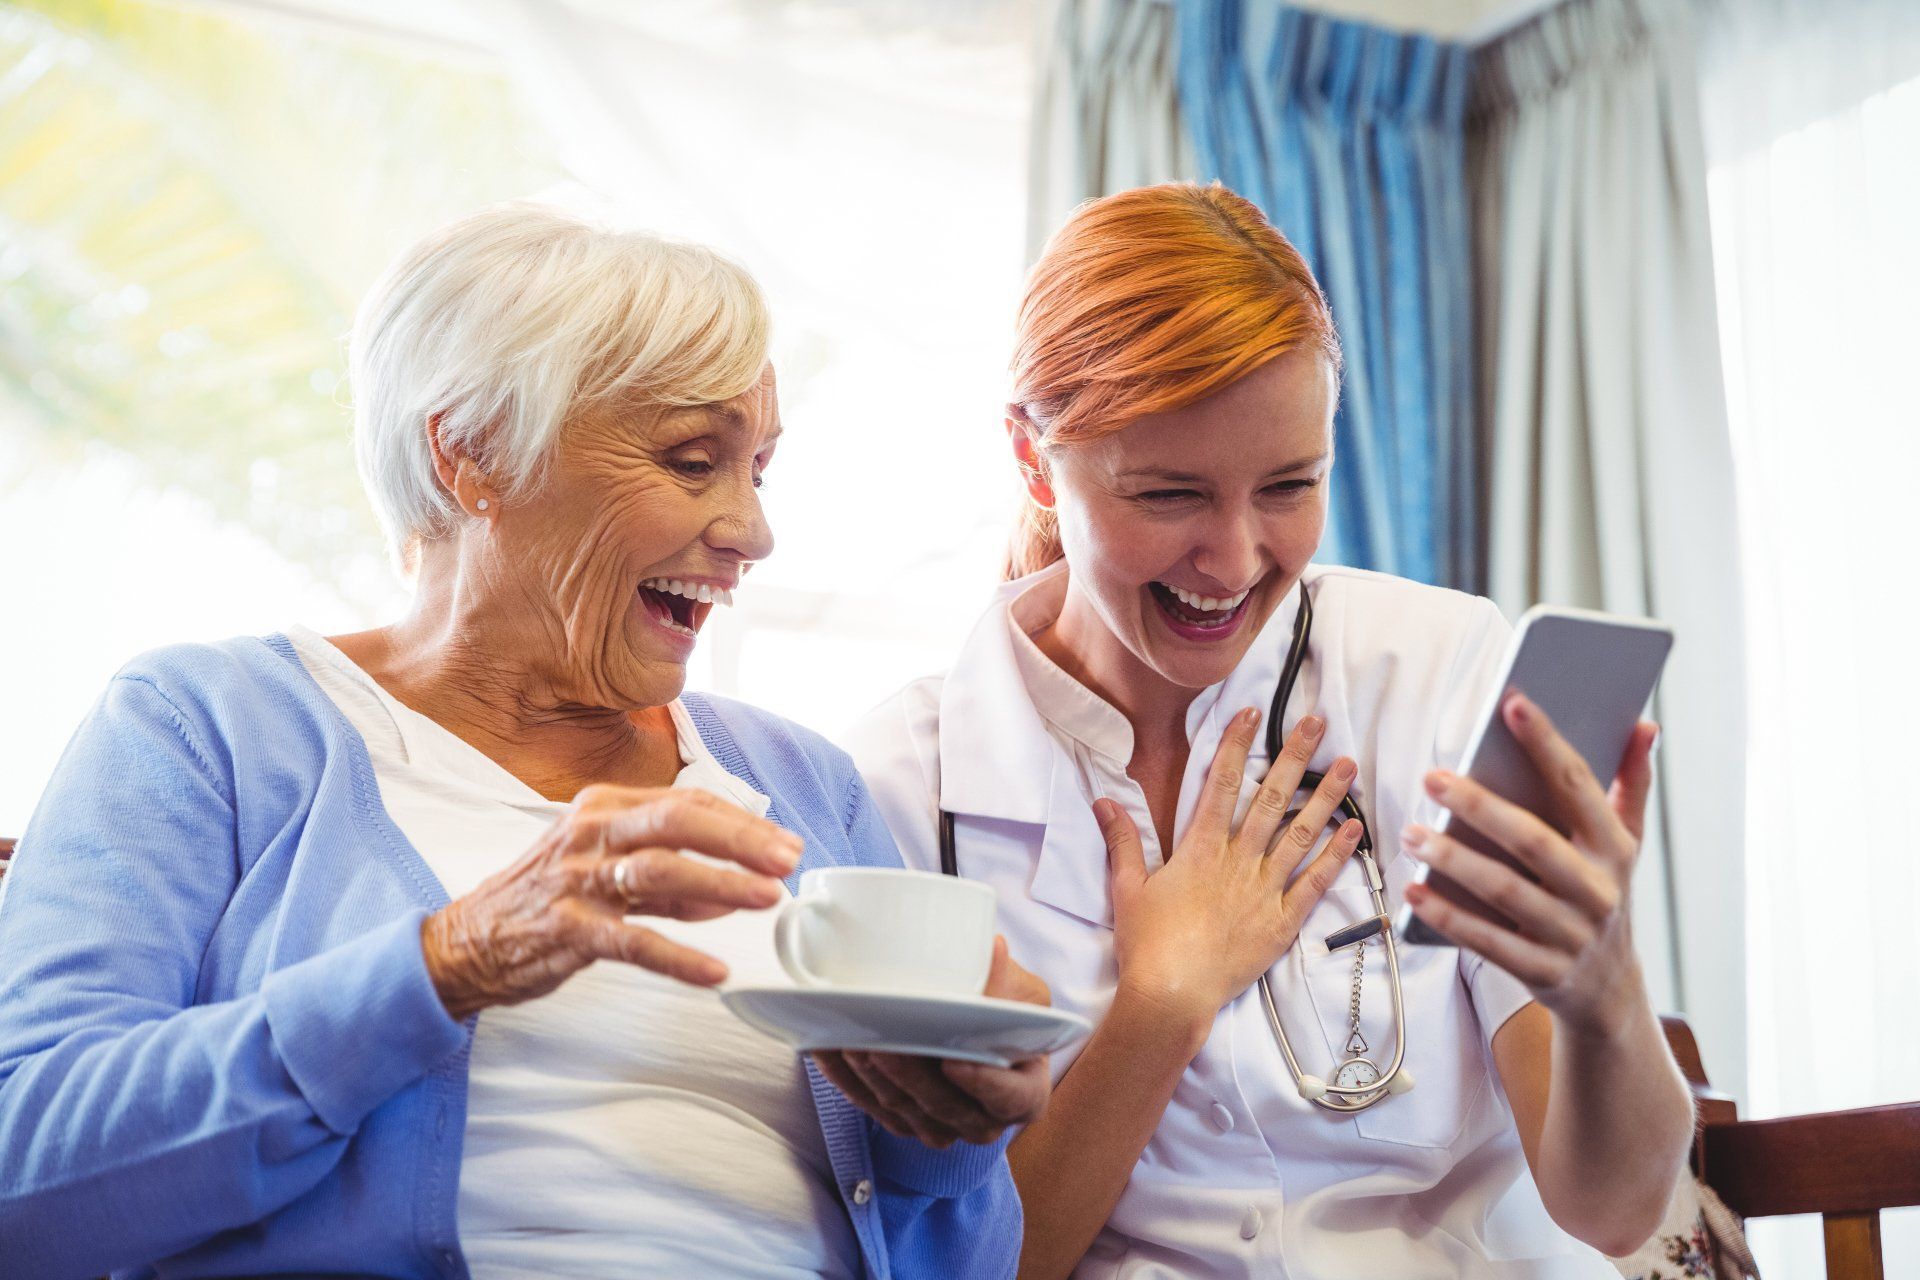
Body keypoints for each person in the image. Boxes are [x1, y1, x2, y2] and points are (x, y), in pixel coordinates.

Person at [0, 204, 1046, 1280]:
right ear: (471, 452)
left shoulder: (802, 783)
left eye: (759, 471)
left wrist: (954, 1135)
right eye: (694, 460)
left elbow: (963, 1254)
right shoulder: (205, 724)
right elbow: (24, 1174)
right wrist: (449, 960)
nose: (751, 531)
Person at [844, 182, 1695, 1278]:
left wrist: (1603, 989)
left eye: (1291, 484)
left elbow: (1615, 1214)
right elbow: (978, 1265)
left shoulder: (1434, 671)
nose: (1236, 559)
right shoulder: (905, 783)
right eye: (1168, 496)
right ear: (1029, 455)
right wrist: (1164, 997)